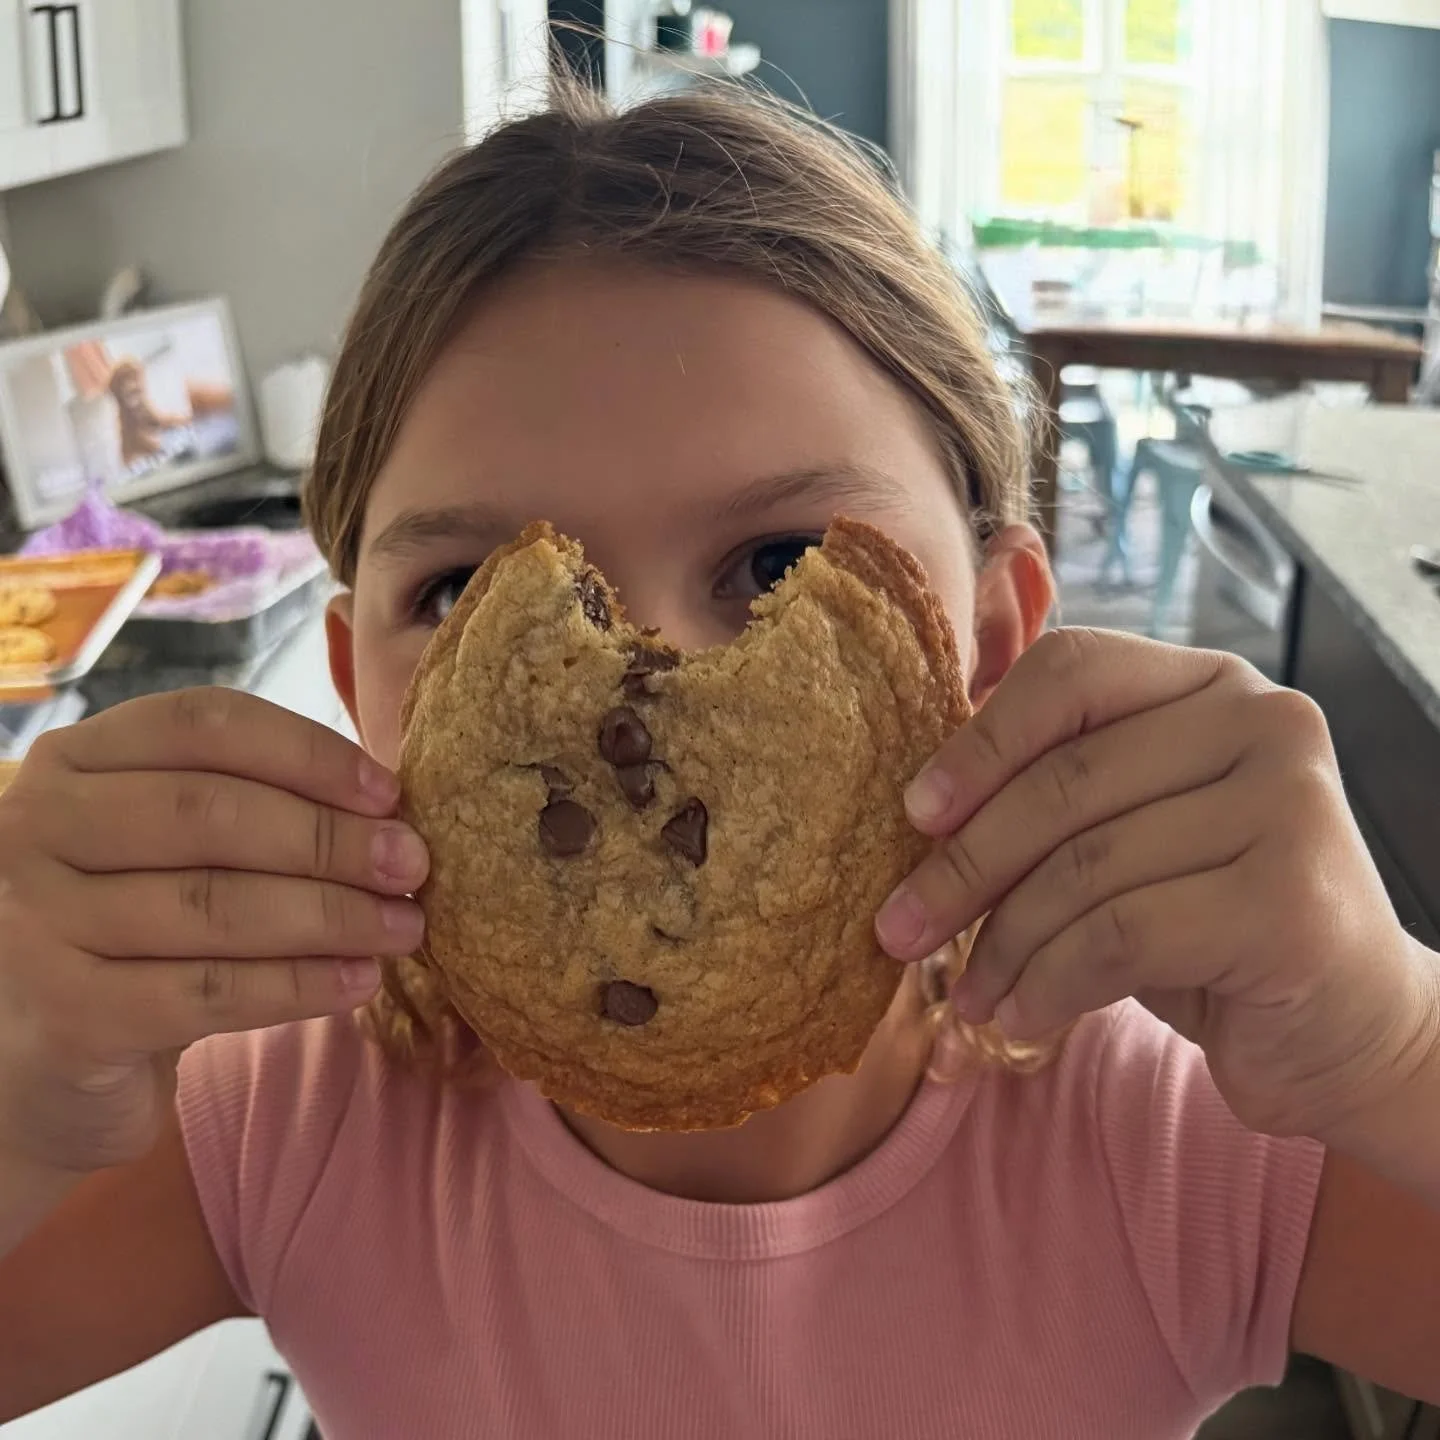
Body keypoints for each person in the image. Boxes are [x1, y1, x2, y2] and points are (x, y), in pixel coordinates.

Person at [1, 84, 1438, 1440]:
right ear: (365, 695)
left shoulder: (1183, 1128)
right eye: (458, 592)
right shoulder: (281, 1120)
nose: (646, 701)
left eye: (783, 562)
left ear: (987, 649)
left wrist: (1400, 1052)